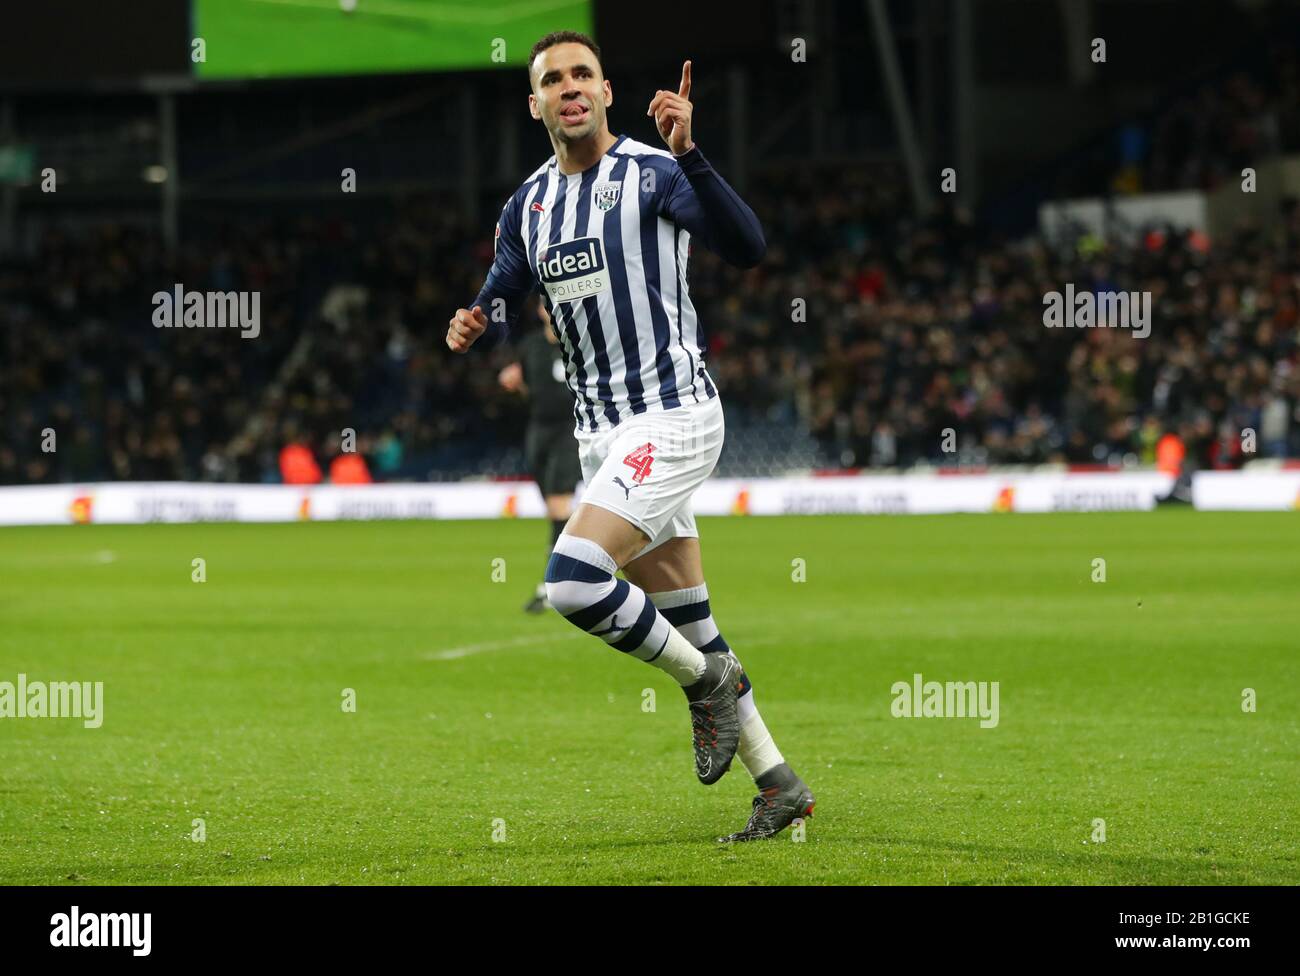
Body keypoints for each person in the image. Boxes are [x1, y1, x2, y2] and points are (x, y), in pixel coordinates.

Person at [446, 31, 813, 841]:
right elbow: (507, 284)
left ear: (607, 91)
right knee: (688, 616)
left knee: (574, 582)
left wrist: (694, 155)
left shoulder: (652, 172)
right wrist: (477, 319)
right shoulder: (530, 203)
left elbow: (747, 248)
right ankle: (779, 784)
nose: (570, 88)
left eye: (583, 75)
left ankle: (703, 685)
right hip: (599, 437)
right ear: (535, 102)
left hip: (673, 415)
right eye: (554, 80)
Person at [498, 298, 582, 613]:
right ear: (539, 311)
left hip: (570, 431)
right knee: (554, 509)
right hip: (538, 431)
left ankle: (553, 586)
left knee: (560, 504)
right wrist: (512, 382)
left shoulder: (579, 341)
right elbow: (524, 385)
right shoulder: (530, 345)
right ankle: (581, 568)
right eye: (547, 305)